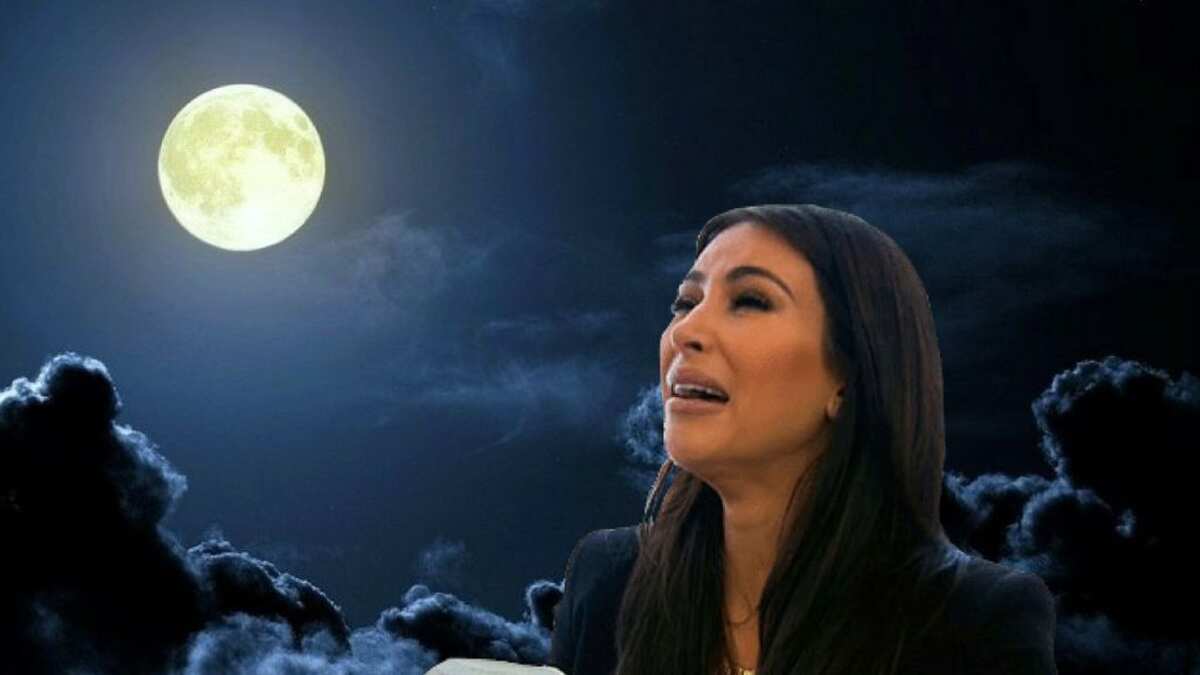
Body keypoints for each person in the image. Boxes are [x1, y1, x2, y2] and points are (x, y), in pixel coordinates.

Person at [548, 205, 1057, 675]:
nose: (685, 332)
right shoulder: (607, 580)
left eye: (750, 301)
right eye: (685, 303)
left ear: (849, 377)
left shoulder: (978, 623)